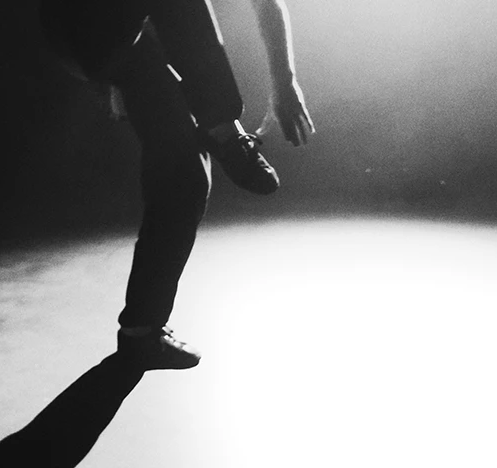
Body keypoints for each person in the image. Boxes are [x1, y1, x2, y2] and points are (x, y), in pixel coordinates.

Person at [39, 0, 314, 371]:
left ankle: (141, 331)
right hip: (80, 26)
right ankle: (225, 132)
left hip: (129, 43)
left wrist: (284, 81)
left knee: (185, 172)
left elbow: (267, 4)